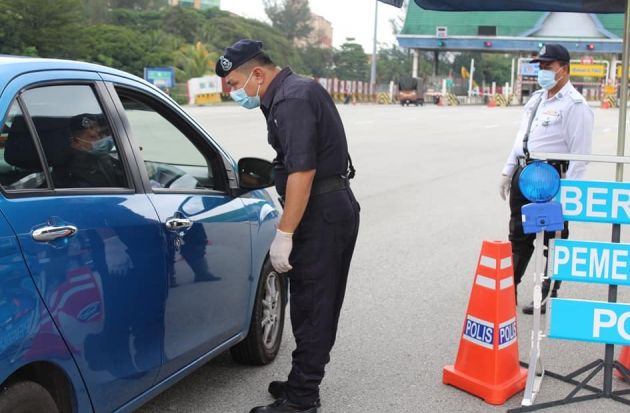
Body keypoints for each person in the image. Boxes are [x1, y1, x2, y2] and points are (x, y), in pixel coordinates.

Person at [216, 39, 360, 413]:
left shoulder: (291, 100)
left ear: (258, 74)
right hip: (329, 207)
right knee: (313, 304)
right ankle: (301, 381)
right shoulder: (294, 91)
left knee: (313, 306)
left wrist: (284, 233)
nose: (232, 93)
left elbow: (302, 171)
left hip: (320, 212)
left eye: (233, 84)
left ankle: (301, 400)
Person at [499, 44, 593, 315]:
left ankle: (547, 294)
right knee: (517, 235)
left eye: (548, 67)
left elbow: (580, 156)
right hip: (525, 174)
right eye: (540, 66)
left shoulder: (575, 105)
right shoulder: (537, 98)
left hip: (551, 179)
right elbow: (522, 138)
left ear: (563, 69)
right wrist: (508, 171)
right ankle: (508, 291)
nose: (542, 71)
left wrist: (569, 195)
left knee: (553, 239)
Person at [53, 113, 125, 188]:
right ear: (74, 143)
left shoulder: (108, 160)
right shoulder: (65, 173)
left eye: (100, 135)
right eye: (92, 137)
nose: (99, 140)